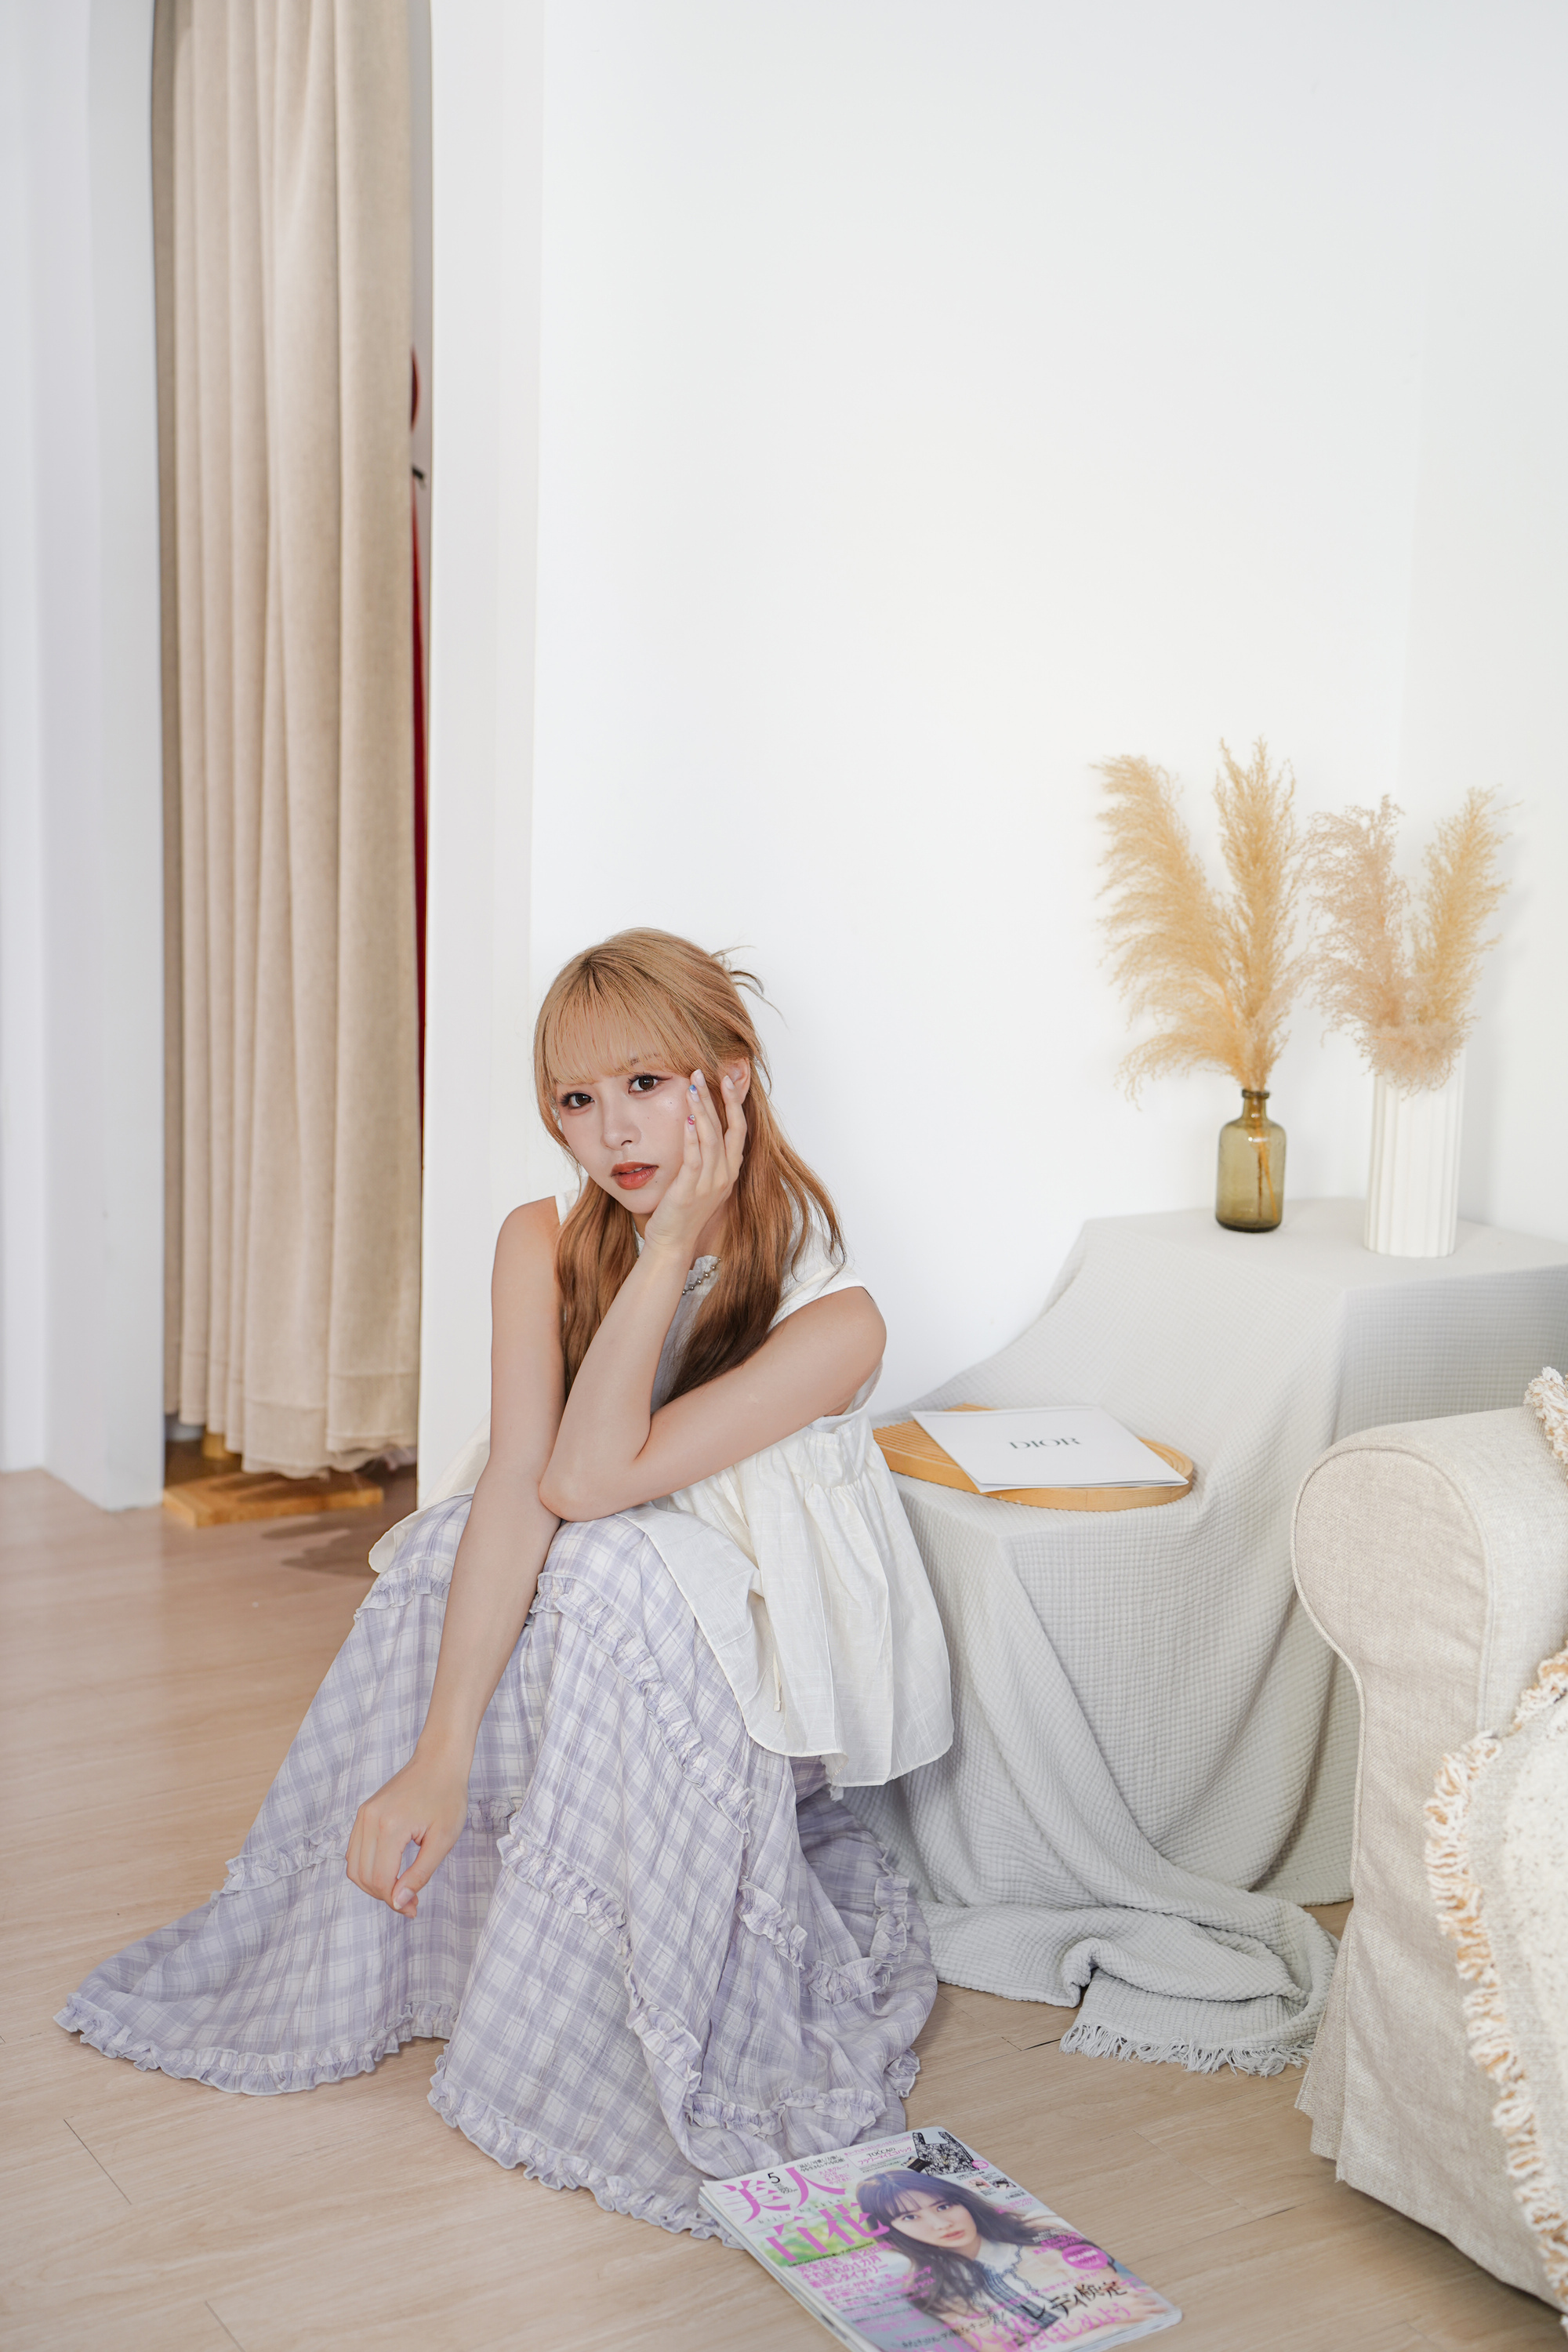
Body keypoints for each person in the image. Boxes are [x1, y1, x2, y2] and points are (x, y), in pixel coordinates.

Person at [57, 929, 953, 2236]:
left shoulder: (837, 1320)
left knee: (603, 1559)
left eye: (645, 1084)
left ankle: (577, 1995)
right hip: (611, 1618)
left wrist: (670, 1247)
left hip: (753, 1696)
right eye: (577, 1101)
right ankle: (423, 1920)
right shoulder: (541, 1239)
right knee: (446, 1546)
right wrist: (438, 1755)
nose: (612, 1133)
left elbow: (591, 1481)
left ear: (730, 1081)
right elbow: (521, 1486)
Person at [855, 2170, 1171, 2349]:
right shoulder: (933, 2288)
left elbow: (1126, 2302)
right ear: (891, 2229)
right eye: (910, 2217)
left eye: (943, 2206)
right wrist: (1080, 2322)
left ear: (963, 2202)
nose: (941, 2224)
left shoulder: (1042, 2230)